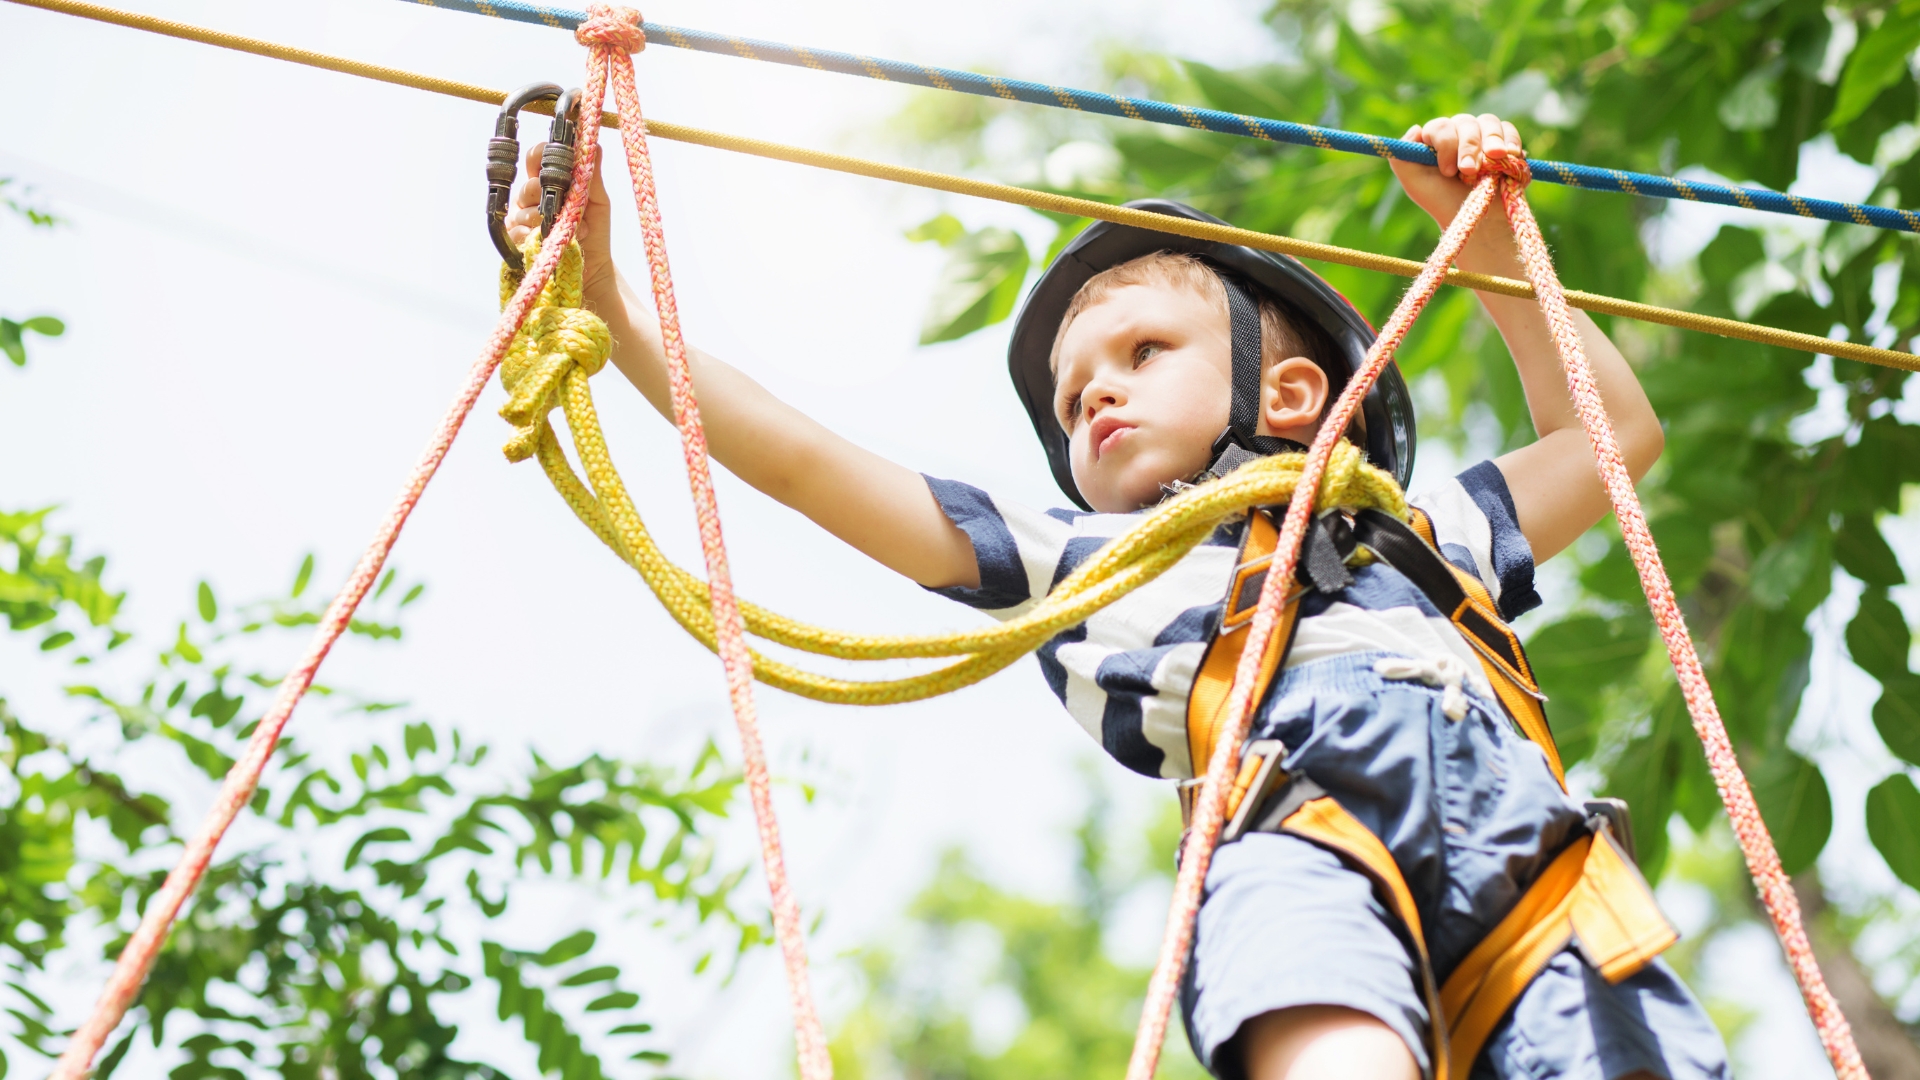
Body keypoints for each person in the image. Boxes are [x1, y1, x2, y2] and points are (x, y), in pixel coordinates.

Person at [505, 113, 1730, 1080]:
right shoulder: (1092, 563)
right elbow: (807, 461)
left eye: (1141, 353)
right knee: (1331, 1032)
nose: (1090, 394)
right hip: (1303, 834)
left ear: (1293, 394)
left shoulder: (1417, 535)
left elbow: (1613, 434)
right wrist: (612, 312)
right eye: (1066, 393)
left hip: (1536, 867)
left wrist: (1495, 251)